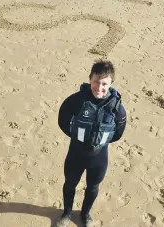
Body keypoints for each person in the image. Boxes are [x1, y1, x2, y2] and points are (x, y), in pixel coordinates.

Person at [56, 60, 127, 227]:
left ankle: (85, 214)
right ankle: (66, 213)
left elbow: (118, 133)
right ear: (90, 79)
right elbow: (62, 120)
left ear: (110, 84)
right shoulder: (76, 100)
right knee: (70, 183)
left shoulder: (116, 107)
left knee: (93, 187)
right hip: (76, 153)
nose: (99, 87)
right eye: (96, 82)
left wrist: (99, 142)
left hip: (99, 157)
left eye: (104, 84)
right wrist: (76, 136)